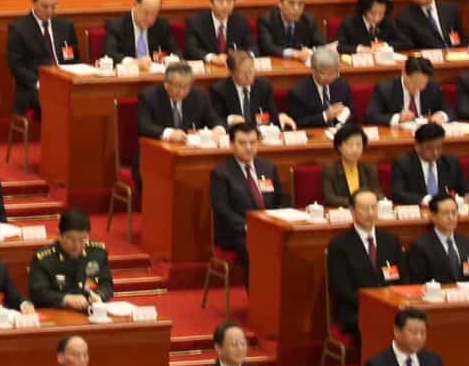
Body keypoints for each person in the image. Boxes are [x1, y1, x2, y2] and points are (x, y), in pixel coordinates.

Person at [324, 190, 401, 335]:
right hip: (356, 311)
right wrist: (375, 305)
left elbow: (403, 278)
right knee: (381, 325)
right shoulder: (340, 245)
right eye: (365, 208)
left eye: (374, 207)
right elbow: (343, 289)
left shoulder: (391, 241)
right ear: (352, 211)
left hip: (392, 307)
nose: (370, 213)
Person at [212, 124, 283, 253]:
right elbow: (222, 210)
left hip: (270, 228)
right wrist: (249, 226)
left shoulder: (269, 167)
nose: (248, 148)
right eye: (242, 143)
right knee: (259, 248)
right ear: (232, 144)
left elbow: (281, 199)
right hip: (237, 233)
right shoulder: (221, 173)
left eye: (252, 142)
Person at [7, 0, 76, 112]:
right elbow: (16, 66)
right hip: (33, 88)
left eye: (54, 7)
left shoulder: (65, 27)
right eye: (45, 7)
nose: (50, 12)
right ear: (33, 2)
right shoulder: (19, 29)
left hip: (63, 83)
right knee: (56, 102)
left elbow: (72, 58)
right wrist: (40, 83)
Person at [29, 210, 114, 310]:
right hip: (58, 313)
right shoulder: (44, 259)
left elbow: (107, 284)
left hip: (91, 311)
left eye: (83, 239)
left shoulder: (97, 253)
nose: (77, 245)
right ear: (59, 235)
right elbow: (38, 293)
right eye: (70, 239)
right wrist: (66, 299)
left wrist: (99, 295)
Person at [387, 121, 465, 207]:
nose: (435, 153)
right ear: (417, 145)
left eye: (439, 147)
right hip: (419, 211)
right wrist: (426, 200)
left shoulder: (450, 161)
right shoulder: (404, 163)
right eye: (430, 148)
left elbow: (465, 187)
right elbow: (398, 194)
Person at [409, 191, 469, 284]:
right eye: (446, 213)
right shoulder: (420, 247)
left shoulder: (468, 244)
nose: (451, 217)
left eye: (454, 212)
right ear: (433, 216)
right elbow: (417, 283)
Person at [390, 0, 467, 51]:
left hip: (456, 57)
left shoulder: (450, 9)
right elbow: (408, 49)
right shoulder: (404, 18)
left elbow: (461, 39)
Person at [139, 60, 218, 140]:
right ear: (166, 84)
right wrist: (170, 133)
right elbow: (144, 126)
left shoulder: (199, 96)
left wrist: (218, 129)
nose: (182, 92)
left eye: (186, 86)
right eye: (178, 86)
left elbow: (214, 120)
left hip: (191, 148)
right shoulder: (150, 97)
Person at [282, 45, 354, 129]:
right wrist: (325, 116)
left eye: (333, 73)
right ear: (313, 69)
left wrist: (344, 118)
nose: (329, 78)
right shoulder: (298, 92)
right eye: (324, 74)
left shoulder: (342, 85)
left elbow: (352, 114)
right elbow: (298, 122)